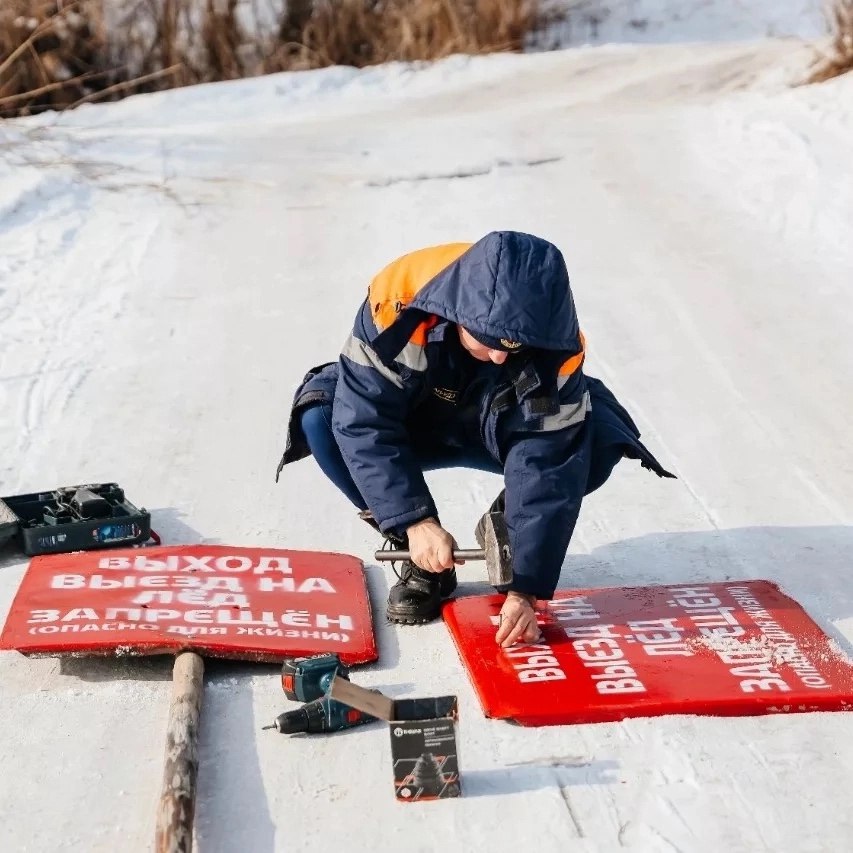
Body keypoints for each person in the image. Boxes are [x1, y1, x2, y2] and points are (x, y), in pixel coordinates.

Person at [276, 231, 675, 647]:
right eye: (489, 340)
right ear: (459, 311)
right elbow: (365, 421)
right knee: (322, 418)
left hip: (498, 427)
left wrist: (525, 588)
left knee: (593, 442)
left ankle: (507, 531)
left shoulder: (557, 343)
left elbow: (546, 459)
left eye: (514, 344)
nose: (502, 355)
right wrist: (415, 521)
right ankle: (423, 561)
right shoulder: (394, 303)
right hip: (416, 417)